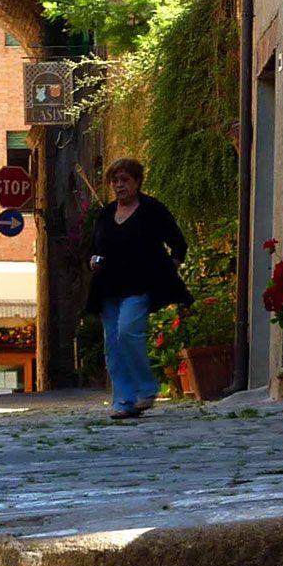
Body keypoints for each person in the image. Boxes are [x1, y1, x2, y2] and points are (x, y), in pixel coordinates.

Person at [86, 158, 192, 419]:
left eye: (124, 180)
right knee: (113, 345)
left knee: (127, 332)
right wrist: (92, 259)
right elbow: (94, 246)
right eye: (115, 181)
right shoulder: (106, 213)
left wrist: (171, 266)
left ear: (137, 182)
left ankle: (146, 388)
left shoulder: (152, 210)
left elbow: (178, 243)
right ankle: (124, 401)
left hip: (139, 284)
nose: (119, 185)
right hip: (107, 287)